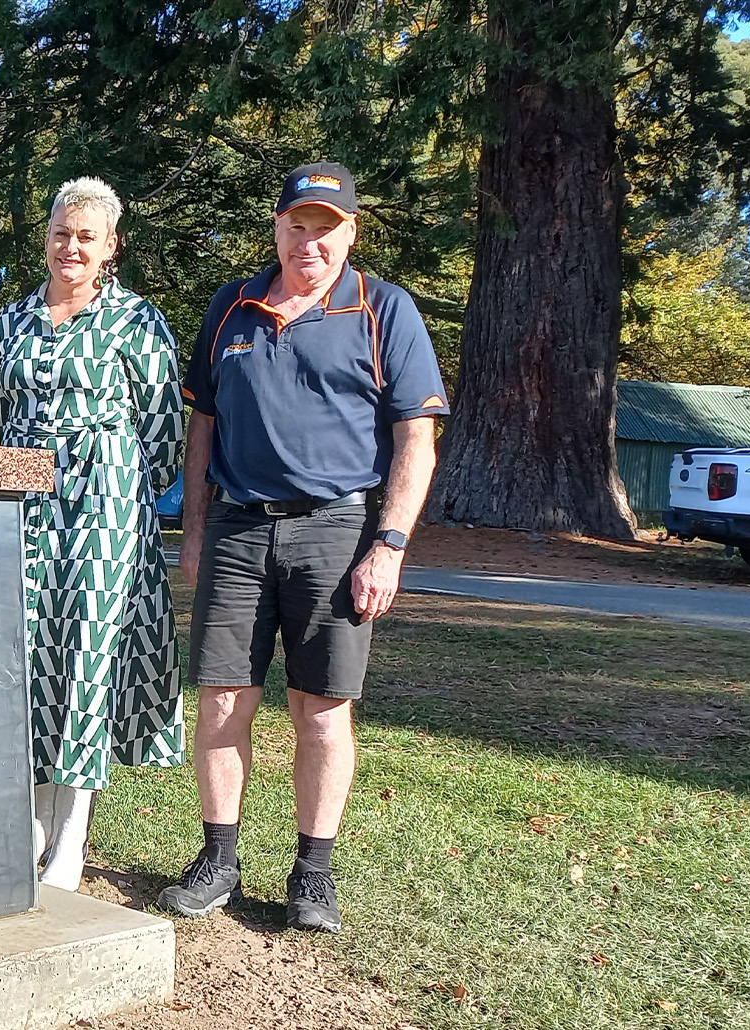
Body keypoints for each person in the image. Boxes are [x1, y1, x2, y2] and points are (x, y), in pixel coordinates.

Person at [160, 162, 449, 932]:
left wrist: (387, 546)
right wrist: (193, 530)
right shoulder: (233, 307)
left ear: (351, 233)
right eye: (299, 225)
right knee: (224, 698)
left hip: (338, 528)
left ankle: (312, 873)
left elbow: (415, 440)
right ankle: (218, 857)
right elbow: (202, 429)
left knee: (320, 709)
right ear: (278, 226)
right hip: (238, 528)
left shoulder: (385, 309)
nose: (310, 241)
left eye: (328, 228)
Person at [0, 177, 186, 892]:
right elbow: (2, 412)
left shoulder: (136, 323)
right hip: (23, 504)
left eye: (86, 237)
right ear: (45, 237)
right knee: (28, 655)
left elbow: (165, 431)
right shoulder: (8, 323)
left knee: (84, 660)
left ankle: (71, 837)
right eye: (62, 233)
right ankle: (30, 823)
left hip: (103, 507)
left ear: (110, 248)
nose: (72, 247)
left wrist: (122, 486)